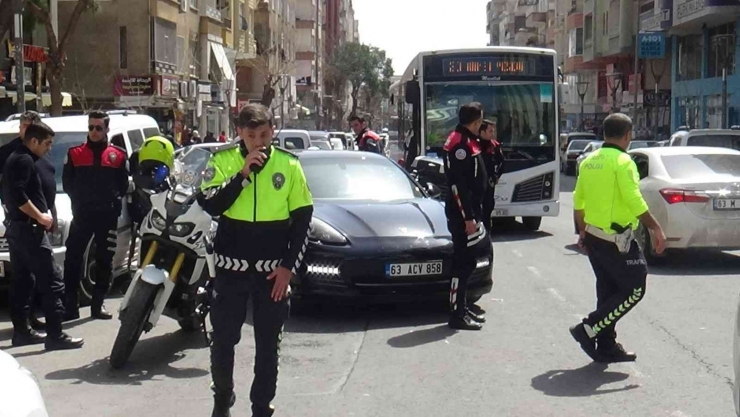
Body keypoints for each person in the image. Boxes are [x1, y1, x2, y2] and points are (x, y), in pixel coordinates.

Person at [199, 103, 313, 417]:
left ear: (273, 131)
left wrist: (288, 269)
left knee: (268, 347)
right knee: (222, 341)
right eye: (252, 136)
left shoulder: (289, 165)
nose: (259, 142)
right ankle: (222, 398)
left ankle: (262, 406)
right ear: (240, 133)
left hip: (271, 274)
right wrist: (243, 174)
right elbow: (212, 205)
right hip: (229, 272)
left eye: (264, 134)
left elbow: (303, 220)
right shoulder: (221, 160)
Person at [571, 113, 667, 363]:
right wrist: (656, 228)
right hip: (616, 239)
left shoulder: (589, 161)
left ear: (604, 134)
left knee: (608, 290)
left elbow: (578, 201)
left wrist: (581, 231)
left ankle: (606, 346)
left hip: (593, 235)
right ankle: (588, 328)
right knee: (635, 288)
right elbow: (634, 200)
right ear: (628, 135)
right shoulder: (624, 161)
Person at [3, 122, 84, 350]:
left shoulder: (19, 158)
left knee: (23, 281)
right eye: (47, 143)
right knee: (53, 282)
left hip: (19, 230)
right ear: (34, 141)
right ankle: (55, 336)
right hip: (29, 231)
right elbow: (18, 195)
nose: (49, 148)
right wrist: (41, 217)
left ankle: (22, 333)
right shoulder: (23, 159)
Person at [62, 111, 128, 321]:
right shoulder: (75, 153)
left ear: (106, 129)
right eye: (91, 127)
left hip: (107, 216)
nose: (94, 132)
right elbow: (67, 184)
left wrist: (110, 201)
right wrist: (80, 201)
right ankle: (70, 307)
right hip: (82, 215)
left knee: (104, 261)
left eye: (98, 128)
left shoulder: (117, 155)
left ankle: (97, 306)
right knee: (72, 259)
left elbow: (123, 185)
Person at [442, 102, 489, 331]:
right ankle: (456, 313)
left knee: (469, 261)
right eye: (480, 120)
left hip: (472, 212)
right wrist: (468, 217)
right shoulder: (459, 144)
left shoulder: (468, 140)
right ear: (476, 121)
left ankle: (462, 307)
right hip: (463, 214)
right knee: (463, 263)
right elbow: (458, 186)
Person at [0, 111, 48, 332]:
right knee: (27, 277)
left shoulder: (39, 151)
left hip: (38, 218)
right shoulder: (12, 154)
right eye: (23, 126)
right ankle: (23, 325)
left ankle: (29, 320)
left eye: (29, 126)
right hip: (21, 221)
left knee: (29, 277)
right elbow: (15, 192)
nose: (25, 130)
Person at [478, 119, 505, 232]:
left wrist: (497, 176)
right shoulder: (473, 144)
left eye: (493, 131)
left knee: (488, 207)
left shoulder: (494, 146)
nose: (492, 134)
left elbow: (502, 162)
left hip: (489, 183)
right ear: (482, 132)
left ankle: (487, 232)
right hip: (476, 183)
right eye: (490, 131)